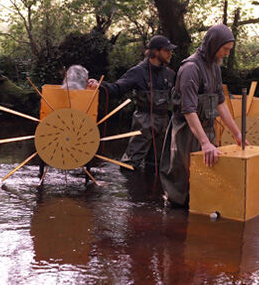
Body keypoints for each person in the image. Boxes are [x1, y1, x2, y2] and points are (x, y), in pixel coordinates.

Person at [160, 24, 244, 207]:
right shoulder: (190, 68)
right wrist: (205, 143)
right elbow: (189, 111)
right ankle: (174, 221)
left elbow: (220, 103)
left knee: (205, 181)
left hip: (206, 129)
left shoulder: (215, 68)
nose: (227, 54)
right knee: (182, 184)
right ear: (214, 45)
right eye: (225, 49)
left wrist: (237, 133)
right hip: (185, 133)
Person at [87, 35, 176, 171]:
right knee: (129, 165)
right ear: (156, 52)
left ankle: (152, 191)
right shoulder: (138, 72)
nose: (170, 53)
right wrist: (99, 85)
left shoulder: (170, 74)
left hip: (164, 123)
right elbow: (117, 89)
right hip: (143, 122)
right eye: (167, 50)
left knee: (158, 165)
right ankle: (131, 190)